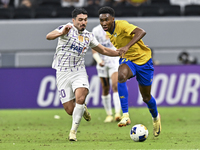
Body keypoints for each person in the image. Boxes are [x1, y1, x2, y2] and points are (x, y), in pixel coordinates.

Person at [46, 8, 120, 142]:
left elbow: (103, 49)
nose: (83, 22)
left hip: (78, 71)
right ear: (74, 20)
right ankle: (82, 109)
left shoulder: (89, 36)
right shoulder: (66, 28)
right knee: (70, 110)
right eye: (80, 20)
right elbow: (49, 36)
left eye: (85, 20)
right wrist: (61, 33)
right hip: (62, 72)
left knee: (81, 96)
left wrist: (120, 52)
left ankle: (73, 132)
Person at [98, 6, 161, 137]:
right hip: (128, 60)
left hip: (144, 62)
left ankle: (155, 118)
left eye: (106, 20)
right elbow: (119, 50)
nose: (104, 23)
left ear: (113, 19)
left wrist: (127, 46)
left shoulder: (122, 25)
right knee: (121, 76)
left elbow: (141, 32)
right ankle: (125, 115)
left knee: (146, 97)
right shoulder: (109, 32)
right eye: (101, 20)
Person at [92, 24, 121, 123]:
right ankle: (109, 114)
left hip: (114, 60)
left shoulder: (117, 29)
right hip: (102, 62)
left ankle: (118, 113)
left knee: (115, 85)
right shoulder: (96, 31)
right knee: (105, 88)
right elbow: (94, 49)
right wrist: (98, 60)